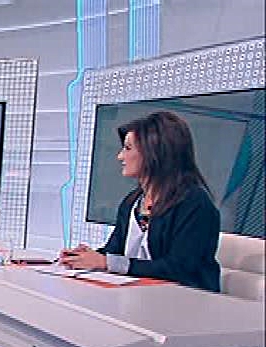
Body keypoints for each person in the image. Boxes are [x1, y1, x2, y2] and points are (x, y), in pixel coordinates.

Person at [60, 111, 221, 292]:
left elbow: (179, 268)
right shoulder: (132, 203)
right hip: (139, 296)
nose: (120, 156)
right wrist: (83, 258)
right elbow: (115, 251)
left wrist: (107, 262)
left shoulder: (194, 204)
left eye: (128, 148)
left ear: (155, 153)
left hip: (183, 301)